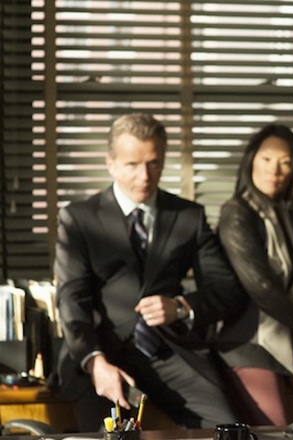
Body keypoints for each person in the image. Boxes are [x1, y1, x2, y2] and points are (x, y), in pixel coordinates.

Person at [52, 112, 248, 431]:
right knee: (111, 435)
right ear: (111, 164)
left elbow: (226, 289)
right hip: (101, 352)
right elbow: (71, 299)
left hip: (170, 350)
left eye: (153, 163)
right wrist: (94, 361)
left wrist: (181, 307)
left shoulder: (188, 216)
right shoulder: (78, 219)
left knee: (226, 430)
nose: (144, 176)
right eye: (132, 164)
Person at [215, 124, 293, 426]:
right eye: (267, 159)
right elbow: (261, 288)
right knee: (276, 431)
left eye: (285, 162)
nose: (275, 170)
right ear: (251, 161)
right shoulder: (236, 213)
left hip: (286, 334)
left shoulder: (283, 211)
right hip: (249, 342)